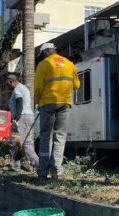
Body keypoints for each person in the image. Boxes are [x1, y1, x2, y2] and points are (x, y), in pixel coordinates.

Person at [34, 42, 80, 183]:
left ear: (47, 51)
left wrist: (39, 102)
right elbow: (77, 85)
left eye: (42, 54)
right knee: (60, 137)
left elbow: (38, 87)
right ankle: (57, 172)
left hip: (48, 103)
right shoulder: (69, 63)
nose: (42, 56)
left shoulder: (44, 64)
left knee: (45, 137)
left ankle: (42, 174)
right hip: (65, 103)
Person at [7, 74, 39, 172]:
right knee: (27, 143)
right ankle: (39, 166)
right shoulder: (23, 88)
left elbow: (19, 103)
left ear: (11, 82)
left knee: (14, 142)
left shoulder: (17, 89)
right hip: (29, 116)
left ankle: (15, 167)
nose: (8, 87)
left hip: (22, 117)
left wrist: (15, 119)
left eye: (8, 84)